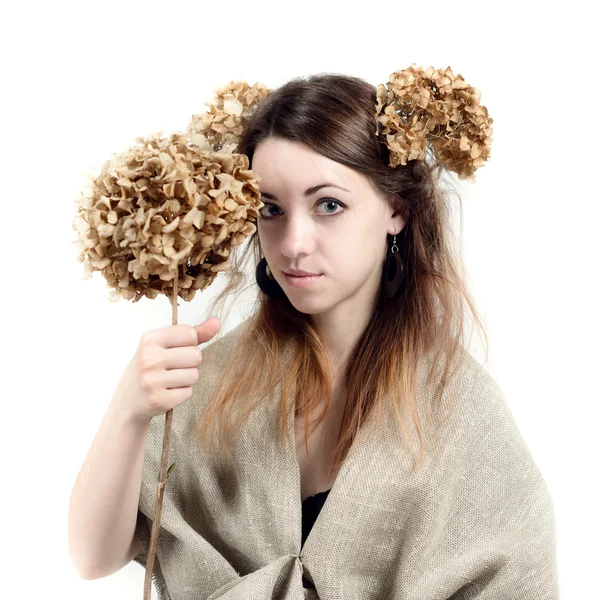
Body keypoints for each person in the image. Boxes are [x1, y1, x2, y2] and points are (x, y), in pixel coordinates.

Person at [68, 70, 559, 599]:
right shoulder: (212, 385)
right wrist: (128, 411)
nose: (294, 243)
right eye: (271, 209)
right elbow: (94, 558)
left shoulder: (459, 409)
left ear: (396, 208)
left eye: (328, 205)